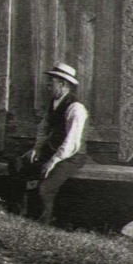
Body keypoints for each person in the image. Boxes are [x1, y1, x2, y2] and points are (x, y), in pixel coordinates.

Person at [11, 62, 88, 223]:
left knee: (44, 188)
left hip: (71, 157)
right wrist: (36, 149)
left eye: (51, 81)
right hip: (52, 151)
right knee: (17, 164)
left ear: (62, 84)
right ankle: (20, 214)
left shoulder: (76, 108)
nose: (47, 85)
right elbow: (43, 128)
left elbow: (72, 142)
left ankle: (42, 224)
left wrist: (52, 161)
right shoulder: (53, 104)